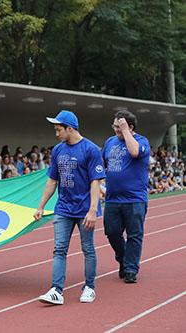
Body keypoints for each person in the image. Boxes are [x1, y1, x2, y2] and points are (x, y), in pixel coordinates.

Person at [34, 110, 105, 305]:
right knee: (59, 249)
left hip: (84, 210)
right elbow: (52, 180)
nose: (56, 134)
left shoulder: (90, 150)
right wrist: (41, 206)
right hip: (63, 208)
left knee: (87, 248)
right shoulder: (58, 150)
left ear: (70, 128)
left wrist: (92, 210)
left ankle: (89, 287)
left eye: (59, 130)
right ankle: (56, 290)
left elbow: (95, 182)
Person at [101, 110, 150, 283]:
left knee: (134, 235)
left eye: (119, 127)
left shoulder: (141, 141)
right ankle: (123, 258)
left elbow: (135, 152)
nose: (115, 130)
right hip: (113, 198)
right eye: (114, 126)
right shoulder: (109, 142)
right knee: (111, 232)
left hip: (135, 199)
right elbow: (101, 165)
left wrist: (126, 132)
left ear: (130, 127)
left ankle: (130, 269)